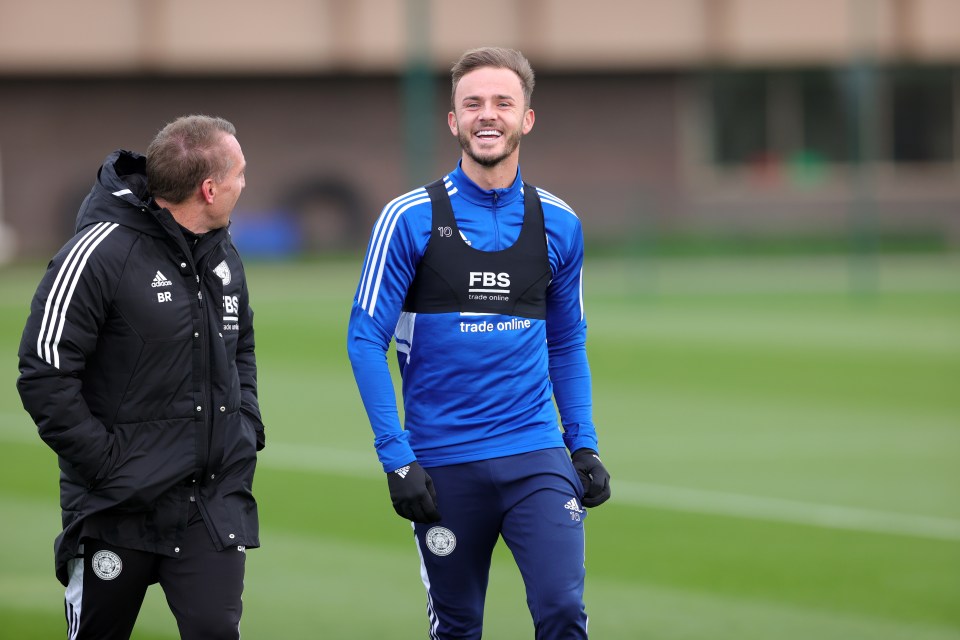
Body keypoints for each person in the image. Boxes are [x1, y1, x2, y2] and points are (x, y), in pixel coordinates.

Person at [347, 47, 611, 638]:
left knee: (563, 611)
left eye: (502, 102)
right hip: (443, 464)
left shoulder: (560, 222)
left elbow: (567, 343)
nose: (487, 115)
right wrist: (397, 458)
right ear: (453, 121)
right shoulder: (407, 218)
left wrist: (584, 444)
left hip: (535, 454)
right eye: (473, 104)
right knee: (459, 626)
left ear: (527, 118)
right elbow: (366, 339)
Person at [17, 114, 266, 640]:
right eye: (240, 173)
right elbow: (44, 371)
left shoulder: (222, 254)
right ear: (209, 188)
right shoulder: (96, 252)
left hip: (209, 503)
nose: (246, 183)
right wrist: (107, 463)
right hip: (117, 507)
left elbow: (239, 347)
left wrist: (245, 426)